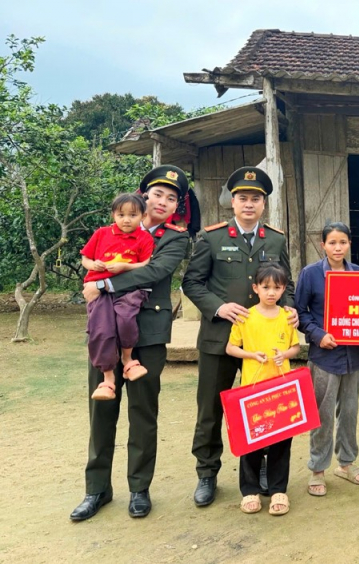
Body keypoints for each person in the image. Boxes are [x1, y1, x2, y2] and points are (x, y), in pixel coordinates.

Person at [70, 165, 191, 521]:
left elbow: (154, 271)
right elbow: (91, 262)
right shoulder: (111, 229)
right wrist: (97, 276)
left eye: (171, 198)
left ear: (176, 206)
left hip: (148, 334)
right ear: (143, 195)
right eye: (157, 194)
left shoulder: (175, 237)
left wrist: (104, 284)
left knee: (142, 412)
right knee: (101, 409)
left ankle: (139, 488)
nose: (163, 202)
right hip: (106, 331)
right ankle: (97, 490)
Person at [183, 166, 297, 508]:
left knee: (266, 409)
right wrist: (219, 308)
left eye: (256, 199)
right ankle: (207, 473)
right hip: (221, 339)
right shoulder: (212, 237)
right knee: (211, 410)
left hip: (264, 347)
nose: (249, 204)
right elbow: (192, 283)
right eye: (243, 198)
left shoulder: (275, 239)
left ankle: (262, 470)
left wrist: (289, 308)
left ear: (264, 204)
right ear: (232, 202)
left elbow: (286, 284)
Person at [295, 222, 359, 497]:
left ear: (349, 244)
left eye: (343, 242)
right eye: (332, 243)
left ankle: (346, 463)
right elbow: (301, 313)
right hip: (325, 356)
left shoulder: (358, 273)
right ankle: (317, 468)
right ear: (322, 245)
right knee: (322, 414)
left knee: (349, 411)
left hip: (354, 355)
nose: (338, 248)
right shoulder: (311, 274)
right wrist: (318, 334)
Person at [225, 264, 300, 515]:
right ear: (255, 288)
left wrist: (285, 355)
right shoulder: (246, 317)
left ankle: (279, 489)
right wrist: (251, 354)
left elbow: (295, 348)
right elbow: (231, 348)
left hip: (281, 387)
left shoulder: (287, 317)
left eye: (277, 288)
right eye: (266, 287)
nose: (271, 293)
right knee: (251, 441)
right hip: (252, 389)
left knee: (281, 439)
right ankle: (250, 491)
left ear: (283, 289)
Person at [81, 193, 154, 401]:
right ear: (114, 214)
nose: (126, 219)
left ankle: (128, 360)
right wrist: (92, 265)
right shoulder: (102, 233)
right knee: (101, 329)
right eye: (121, 214)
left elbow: (146, 265)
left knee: (126, 319)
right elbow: (85, 257)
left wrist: (125, 266)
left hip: (129, 289)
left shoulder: (144, 237)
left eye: (133, 215)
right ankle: (108, 378)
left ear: (142, 215)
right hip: (99, 288)